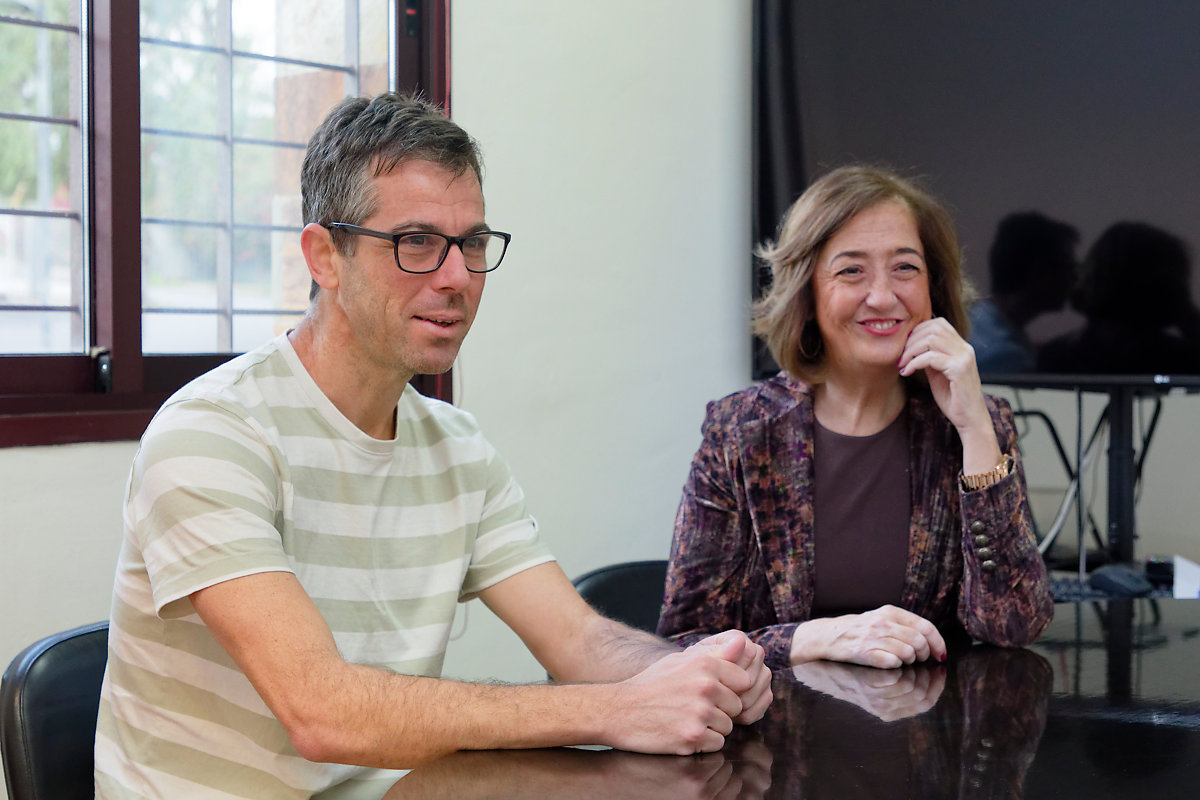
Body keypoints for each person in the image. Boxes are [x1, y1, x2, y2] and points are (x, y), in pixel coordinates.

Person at [93, 93, 771, 800]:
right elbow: (321, 712)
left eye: (471, 243)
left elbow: (579, 641)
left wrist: (695, 674)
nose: (456, 278)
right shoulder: (211, 432)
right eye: (415, 242)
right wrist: (617, 709)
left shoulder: (457, 447)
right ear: (324, 256)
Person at [657, 165, 1054, 671]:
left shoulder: (976, 422)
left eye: (905, 268)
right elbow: (684, 642)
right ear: (807, 292)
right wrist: (813, 638)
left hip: (931, 719)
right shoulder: (739, 430)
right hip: (777, 720)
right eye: (851, 271)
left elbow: (1014, 627)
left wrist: (975, 428)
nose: (883, 296)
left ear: (933, 285)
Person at [968, 211, 1078, 374]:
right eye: (1068, 267)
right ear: (1040, 273)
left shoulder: (973, 318)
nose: (1075, 277)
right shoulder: (1004, 356)